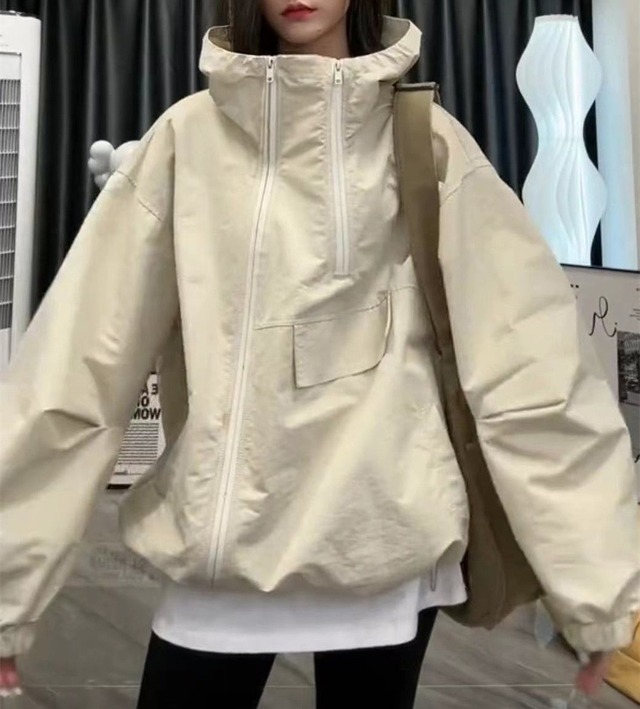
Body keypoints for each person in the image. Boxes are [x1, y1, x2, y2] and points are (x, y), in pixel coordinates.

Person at [1, 1, 638, 707]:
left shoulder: (426, 142)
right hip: (228, 555)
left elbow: (531, 368)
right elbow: (78, 367)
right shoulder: (187, 140)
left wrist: (597, 587)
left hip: (387, 543)